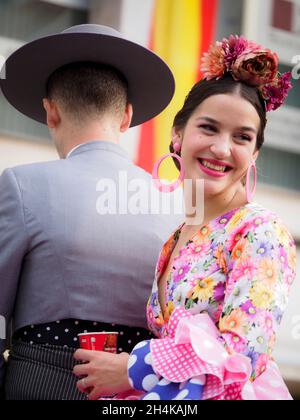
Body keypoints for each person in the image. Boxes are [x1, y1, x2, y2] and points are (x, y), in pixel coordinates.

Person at [73, 35, 297, 400]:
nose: (222, 148)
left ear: (254, 153)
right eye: (208, 128)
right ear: (177, 135)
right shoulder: (176, 236)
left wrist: (135, 368)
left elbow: (244, 355)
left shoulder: (259, 231)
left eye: (242, 137)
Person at [0, 24, 180, 400]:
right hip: (142, 388)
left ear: (50, 112)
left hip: (45, 382)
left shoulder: (22, 184)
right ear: (127, 116)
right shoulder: (176, 202)